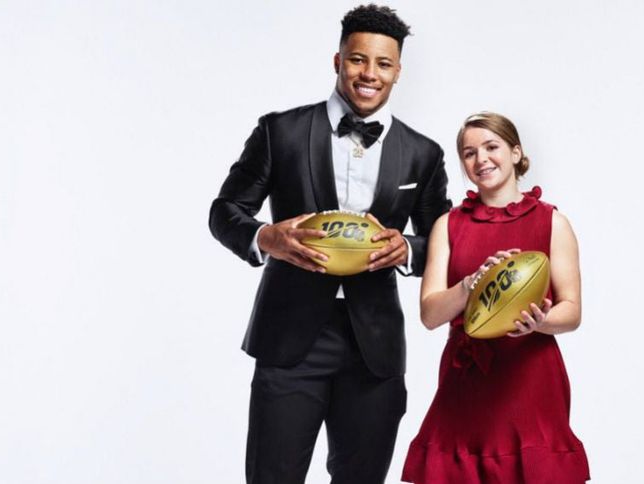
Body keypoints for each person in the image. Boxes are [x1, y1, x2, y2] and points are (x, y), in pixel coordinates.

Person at [208, 5, 451, 484]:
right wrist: (266, 237)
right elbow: (224, 211)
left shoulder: (423, 153)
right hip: (289, 340)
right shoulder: (280, 132)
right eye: (358, 59)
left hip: (374, 347)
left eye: (383, 64)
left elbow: (443, 242)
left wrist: (407, 250)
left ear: (398, 71)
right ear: (338, 60)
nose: (370, 73)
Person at [401, 112, 590, 483]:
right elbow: (430, 315)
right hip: (467, 380)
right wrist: (470, 284)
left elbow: (572, 311)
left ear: (516, 153)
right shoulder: (448, 225)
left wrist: (540, 322)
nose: (481, 159)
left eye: (491, 147)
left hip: (530, 378)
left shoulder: (552, 222)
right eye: (469, 153)